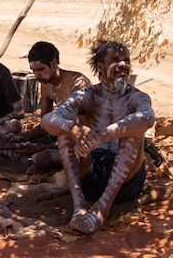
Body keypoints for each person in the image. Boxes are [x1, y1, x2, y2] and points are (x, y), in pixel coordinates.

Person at [42, 40, 155, 235]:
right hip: (91, 175)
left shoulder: (137, 96)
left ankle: (101, 210)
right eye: (116, 60)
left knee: (133, 128)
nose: (123, 65)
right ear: (100, 66)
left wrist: (101, 134)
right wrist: (74, 129)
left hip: (126, 183)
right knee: (65, 129)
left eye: (126, 60)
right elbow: (47, 120)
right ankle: (79, 207)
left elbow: (148, 118)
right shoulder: (88, 96)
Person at [0, 41, 91, 171]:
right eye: (34, 70)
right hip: (55, 136)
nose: (36, 75)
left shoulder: (77, 85)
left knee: (41, 158)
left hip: (79, 142)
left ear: (54, 63)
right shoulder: (46, 83)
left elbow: (80, 133)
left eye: (40, 69)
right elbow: (44, 125)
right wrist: (21, 137)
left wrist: (41, 148)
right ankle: (29, 159)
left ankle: (33, 160)